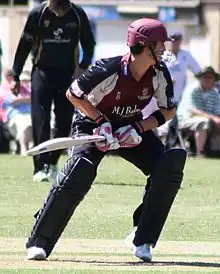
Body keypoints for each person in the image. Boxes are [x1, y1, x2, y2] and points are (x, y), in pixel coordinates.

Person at [25, 18, 187, 262]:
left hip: (131, 127)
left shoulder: (159, 73)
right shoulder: (107, 68)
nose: (164, 49)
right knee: (79, 172)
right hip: (92, 125)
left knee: (168, 165)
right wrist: (101, 122)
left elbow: (167, 110)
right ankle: (39, 242)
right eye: (159, 44)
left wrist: (138, 128)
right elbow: (74, 94)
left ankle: (141, 238)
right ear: (143, 45)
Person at [11, 0, 96, 182]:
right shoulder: (38, 13)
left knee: (65, 122)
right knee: (40, 119)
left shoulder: (77, 14)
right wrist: (16, 75)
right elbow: (25, 44)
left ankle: (52, 162)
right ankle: (39, 167)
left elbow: (89, 42)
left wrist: (82, 66)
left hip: (68, 74)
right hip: (42, 72)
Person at [162, 32, 201, 149]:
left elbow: (198, 71)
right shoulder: (164, 55)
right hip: (163, 95)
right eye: (173, 40)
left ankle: (170, 146)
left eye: (178, 40)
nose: (175, 42)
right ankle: (168, 145)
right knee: (167, 121)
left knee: (175, 121)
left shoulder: (185, 55)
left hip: (180, 96)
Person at [177, 66, 220, 157]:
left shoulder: (215, 93)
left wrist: (217, 120)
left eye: (210, 77)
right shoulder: (192, 89)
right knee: (203, 122)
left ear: (214, 80)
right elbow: (192, 110)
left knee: (216, 123)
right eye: (205, 77)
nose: (207, 79)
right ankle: (200, 153)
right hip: (185, 120)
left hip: (207, 120)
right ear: (200, 78)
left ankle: (215, 152)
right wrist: (213, 118)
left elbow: (217, 112)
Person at [0, 69, 33, 155]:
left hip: (28, 114)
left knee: (31, 121)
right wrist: (25, 100)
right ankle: (24, 149)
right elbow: (11, 101)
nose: (25, 82)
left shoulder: (27, 90)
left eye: (27, 80)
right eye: (23, 80)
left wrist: (22, 100)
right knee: (23, 123)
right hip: (14, 116)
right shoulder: (6, 89)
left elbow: (34, 100)